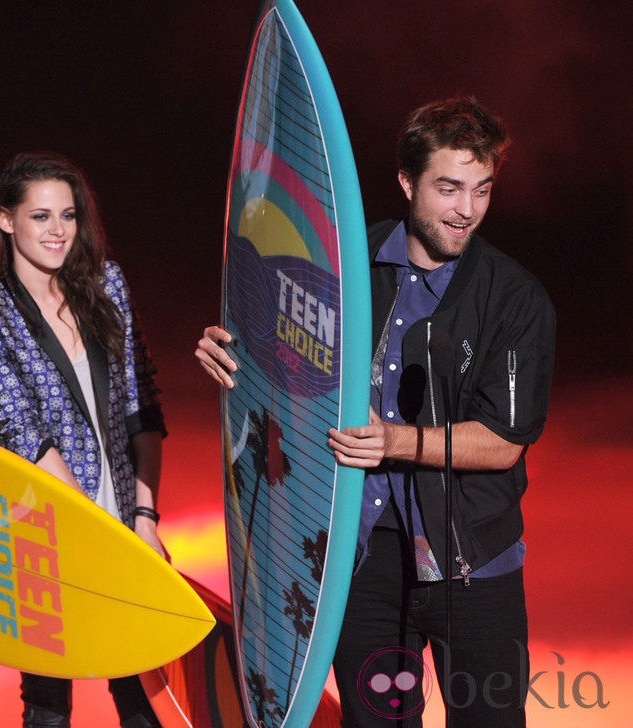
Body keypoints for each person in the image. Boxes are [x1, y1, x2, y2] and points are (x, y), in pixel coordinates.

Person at [195, 97, 555, 727]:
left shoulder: (514, 297)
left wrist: (395, 441)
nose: (466, 210)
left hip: (471, 567)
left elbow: (503, 442)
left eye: (482, 190)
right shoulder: (335, 269)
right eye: (448, 188)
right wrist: (229, 356)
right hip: (357, 562)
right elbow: (277, 357)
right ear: (406, 181)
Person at [0, 151, 166, 728]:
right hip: (44, 533)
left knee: (141, 699)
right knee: (48, 707)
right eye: (41, 216)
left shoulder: (108, 286)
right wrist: (94, 540)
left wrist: (143, 520)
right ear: (6, 220)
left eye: (68, 216)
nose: (57, 231)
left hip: (124, 523)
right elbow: (23, 435)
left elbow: (141, 409)